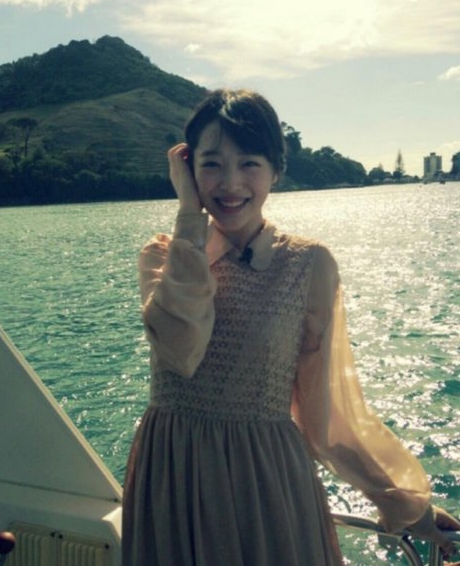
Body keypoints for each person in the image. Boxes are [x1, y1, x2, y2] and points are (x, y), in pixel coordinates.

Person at [122, 89, 460, 565]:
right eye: (212, 164)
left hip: (266, 481)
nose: (231, 183)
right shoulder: (164, 256)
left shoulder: (309, 264)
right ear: (188, 169)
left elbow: (328, 412)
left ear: (275, 171)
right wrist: (188, 217)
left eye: (250, 163)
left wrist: (405, 504)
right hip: (172, 475)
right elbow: (182, 351)